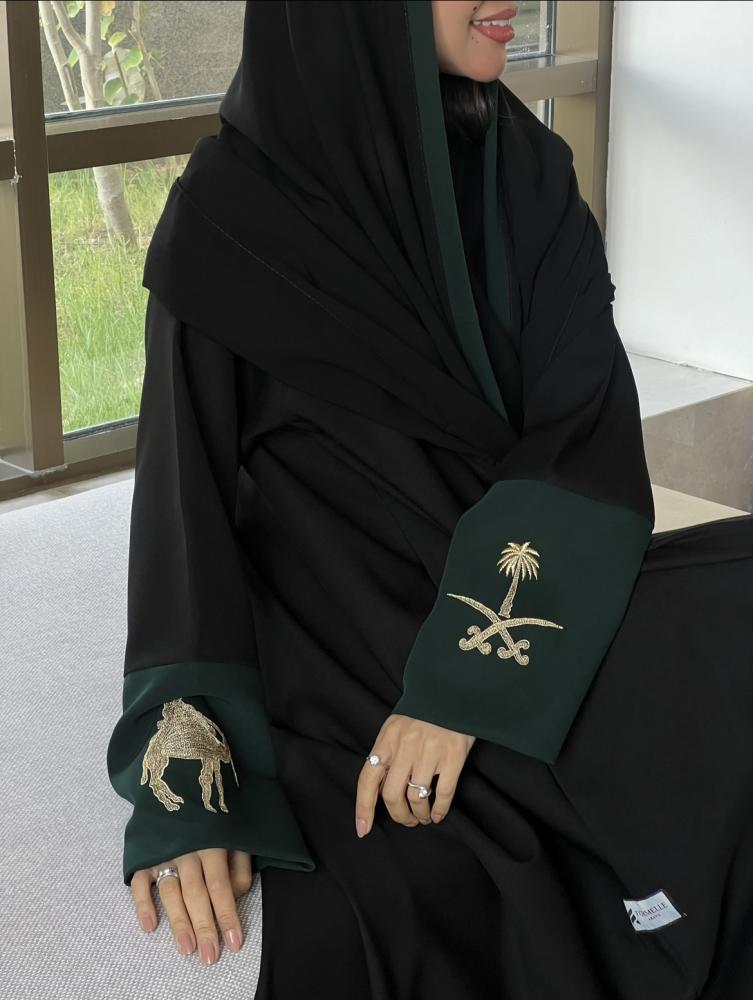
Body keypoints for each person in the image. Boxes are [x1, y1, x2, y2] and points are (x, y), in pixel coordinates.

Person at [107, 1, 753, 996]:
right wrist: (192, 792)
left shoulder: (525, 171)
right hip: (343, 624)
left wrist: (465, 687)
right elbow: (182, 517)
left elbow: (579, 436)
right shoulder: (230, 213)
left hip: (518, 582)